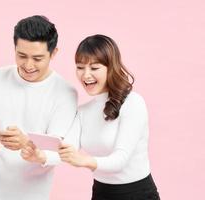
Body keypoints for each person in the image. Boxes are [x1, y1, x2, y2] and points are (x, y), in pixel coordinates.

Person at [0, 15, 77, 200]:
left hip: (30, 195)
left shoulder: (65, 93)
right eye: (22, 56)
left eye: (38, 58)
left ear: (54, 53)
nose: (28, 65)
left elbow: (59, 150)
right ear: (15, 48)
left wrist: (25, 142)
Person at [58, 34, 160, 200]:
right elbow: (66, 148)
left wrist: (85, 161)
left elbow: (121, 160)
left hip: (137, 194)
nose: (85, 75)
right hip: (101, 193)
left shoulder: (133, 102)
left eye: (94, 68)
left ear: (110, 67)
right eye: (80, 67)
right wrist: (38, 153)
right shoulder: (83, 111)